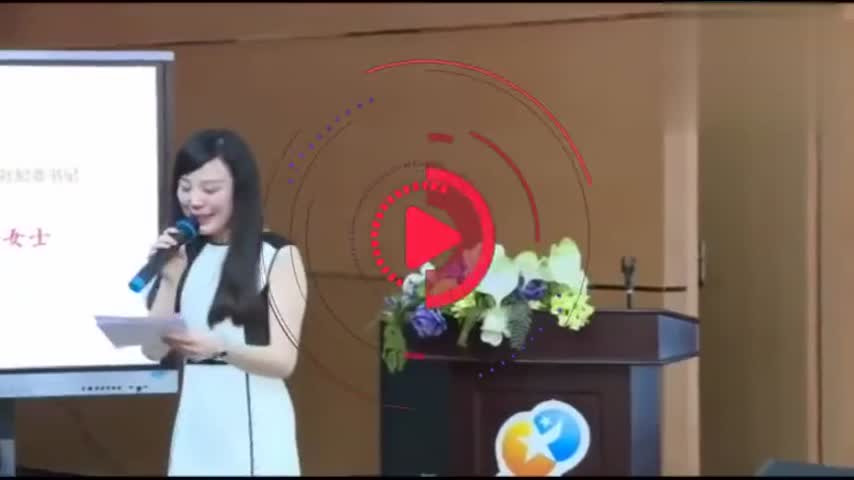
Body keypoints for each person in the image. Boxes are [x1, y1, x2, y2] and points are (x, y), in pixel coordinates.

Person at [141, 128, 307, 476]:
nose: (194, 200)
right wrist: (169, 280)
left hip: (255, 428)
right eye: (185, 187)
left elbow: (283, 361)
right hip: (196, 424)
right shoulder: (183, 255)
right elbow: (153, 350)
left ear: (240, 190)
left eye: (210, 189)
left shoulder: (277, 255)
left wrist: (219, 347)